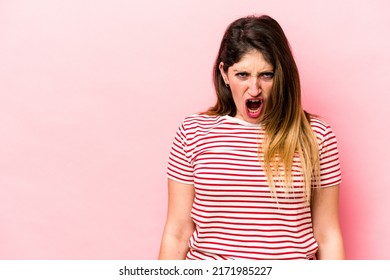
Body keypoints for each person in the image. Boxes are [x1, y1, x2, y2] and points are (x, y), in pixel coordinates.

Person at [158, 15, 345, 260]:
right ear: (225, 73)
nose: (254, 89)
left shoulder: (315, 135)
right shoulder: (193, 132)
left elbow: (327, 235)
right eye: (243, 75)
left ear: (282, 75)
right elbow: (178, 233)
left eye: (266, 75)